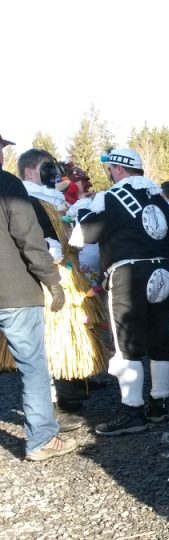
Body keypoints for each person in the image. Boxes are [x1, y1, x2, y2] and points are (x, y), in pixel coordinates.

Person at [70, 148, 169, 436]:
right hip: (163, 271)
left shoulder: (112, 196)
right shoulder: (159, 198)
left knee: (127, 343)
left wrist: (82, 210)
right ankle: (159, 404)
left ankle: (132, 410)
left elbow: (84, 236)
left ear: (118, 169)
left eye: (109, 167)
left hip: (130, 274)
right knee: (160, 337)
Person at [0, 167, 73, 461]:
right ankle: (41, 438)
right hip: (13, 290)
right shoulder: (7, 184)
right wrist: (52, 280)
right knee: (32, 364)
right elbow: (28, 237)